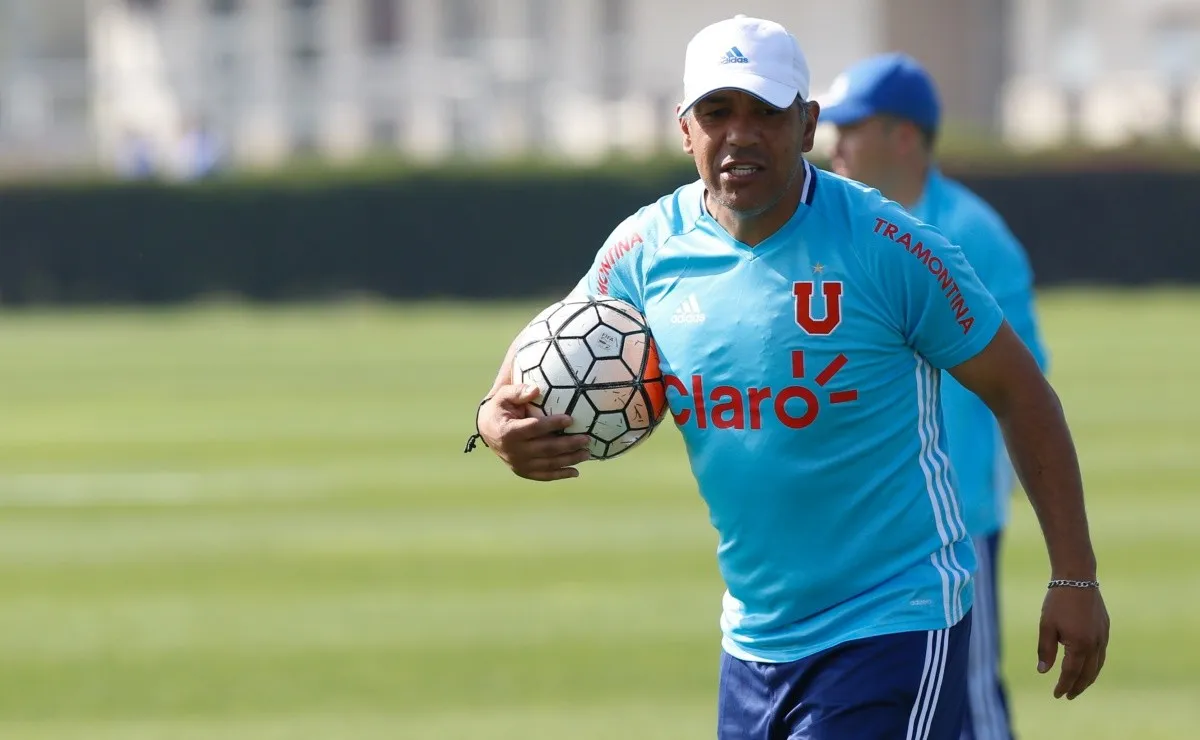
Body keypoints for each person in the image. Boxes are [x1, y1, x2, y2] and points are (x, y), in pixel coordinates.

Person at [469, 15, 1109, 740]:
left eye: (765, 112)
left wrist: (1074, 577)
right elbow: (540, 353)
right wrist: (495, 421)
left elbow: (1020, 392)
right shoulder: (644, 249)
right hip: (753, 642)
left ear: (806, 126)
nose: (740, 133)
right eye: (717, 112)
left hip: (895, 622)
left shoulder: (889, 245)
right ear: (685, 130)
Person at [819, 53, 1049, 740]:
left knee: (972, 702)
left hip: (953, 511)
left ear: (904, 137)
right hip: (871, 506)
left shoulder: (968, 234)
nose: (834, 144)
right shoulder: (847, 221)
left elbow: (1024, 382)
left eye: (851, 127)